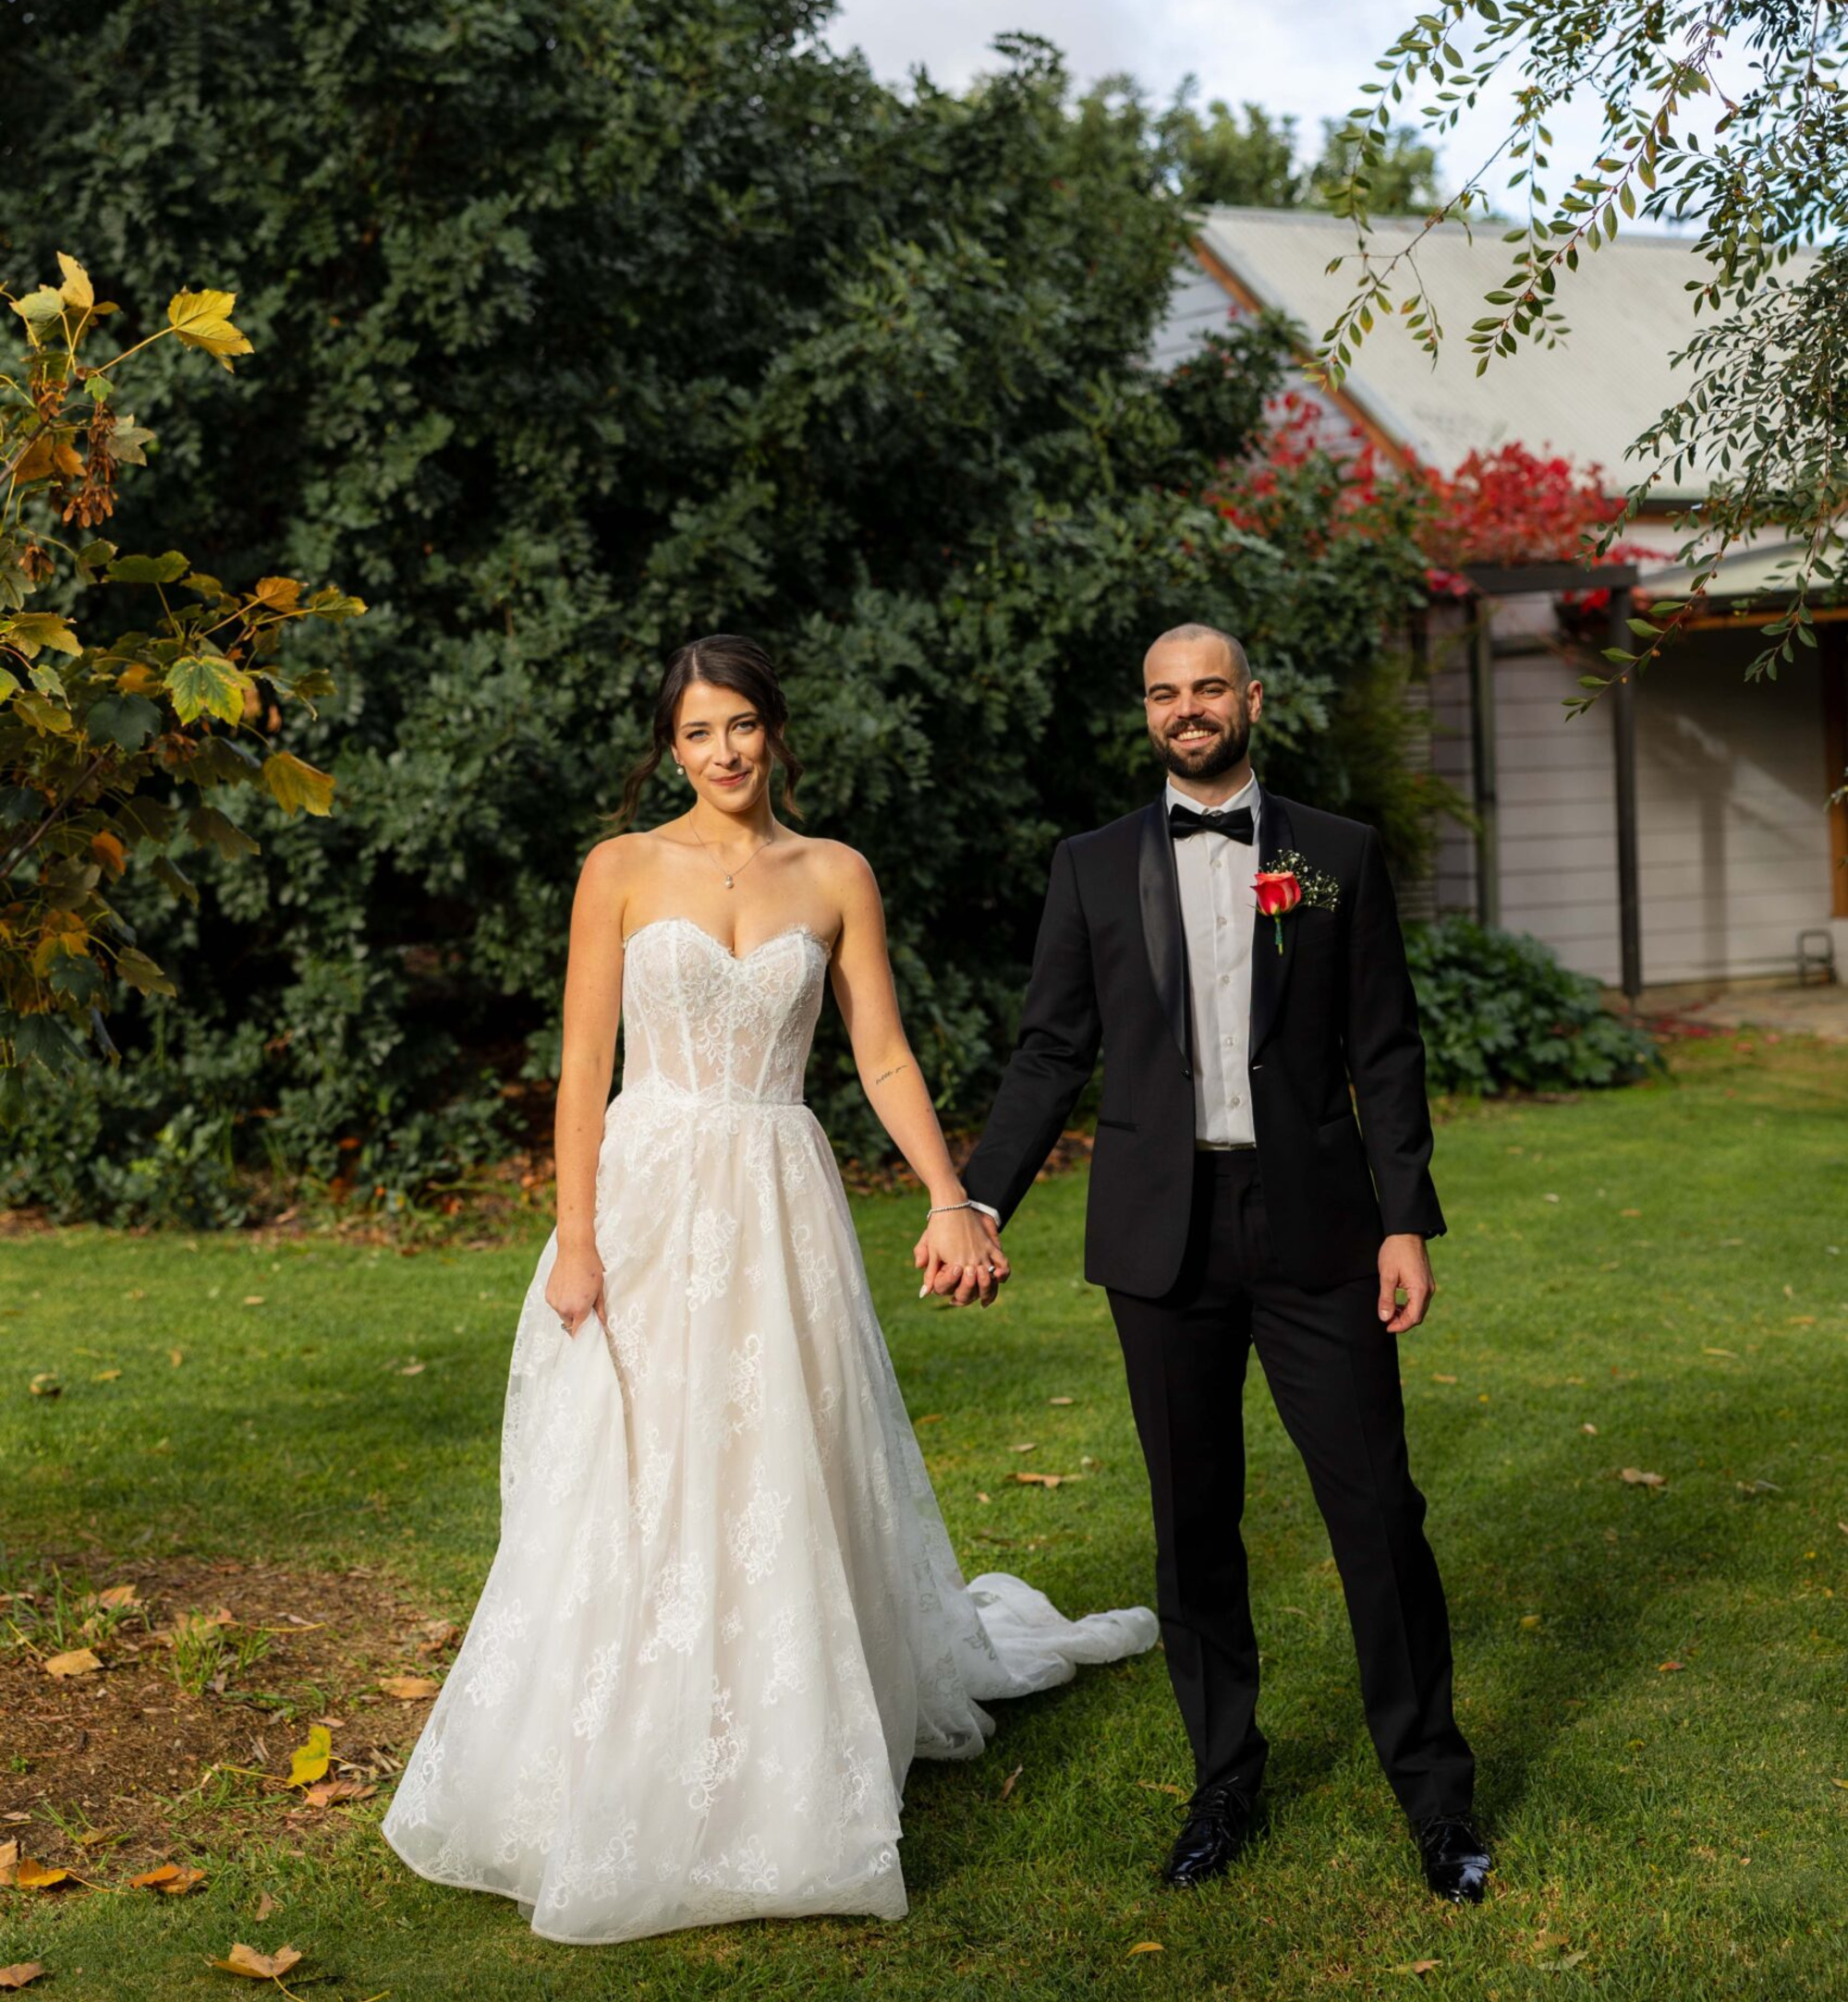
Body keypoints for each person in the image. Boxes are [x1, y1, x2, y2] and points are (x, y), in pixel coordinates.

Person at [383, 634, 1155, 1944]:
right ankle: (614, 1737)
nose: (723, 752)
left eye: (740, 725)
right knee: (640, 1460)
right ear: (669, 747)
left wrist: (952, 1195)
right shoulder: (619, 871)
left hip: (779, 1192)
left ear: (773, 731)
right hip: (645, 1187)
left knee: (774, 1458)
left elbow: (885, 1055)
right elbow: (580, 1068)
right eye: (697, 733)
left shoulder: (836, 872)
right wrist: (575, 1236)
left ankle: (784, 1740)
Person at [958, 623, 1489, 1906]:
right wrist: (979, 1199)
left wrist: (1404, 1216)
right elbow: (1048, 1053)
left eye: (1207, 689)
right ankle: (1223, 1783)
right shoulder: (1088, 868)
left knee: (1377, 1511)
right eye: (1163, 695)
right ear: (1145, 715)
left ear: (1251, 698)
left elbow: (1388, 1051)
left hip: (1318, 1232)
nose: (1186, 710)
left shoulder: (1333, 856)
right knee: (1193, 1527)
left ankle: (1434, 1797)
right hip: (1161, 1234)